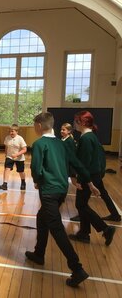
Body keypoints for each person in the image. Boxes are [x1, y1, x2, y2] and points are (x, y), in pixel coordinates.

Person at [27, 112, 100, 287]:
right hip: (61, 190)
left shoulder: (39, 144)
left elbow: (36, 167)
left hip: (49, 191)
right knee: (41, 217)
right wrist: (90, 182)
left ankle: (77, 268)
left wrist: (37, 180)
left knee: (56, 227)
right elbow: (77, 164)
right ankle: (39, 253)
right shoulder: (62, 144)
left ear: (38, 126)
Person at [68, 110, 118, 244]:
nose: (74, 123)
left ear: (83, 122)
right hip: (93, 175)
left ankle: (105, 229)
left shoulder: (86, 138)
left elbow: (84, 163)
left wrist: (88, 182)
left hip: (88, 176)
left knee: (81, 205)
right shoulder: (91, 137)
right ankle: (84, 233)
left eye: (76, 121)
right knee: (82, 204)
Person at [0, 124, 27, 191]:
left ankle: (23, 182)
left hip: (19, 158)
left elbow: (24, 149)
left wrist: (17, 154)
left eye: (12, 131)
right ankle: (4, 184)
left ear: (17, 132)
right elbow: (6, 147)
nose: (11, 133)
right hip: (9, 157)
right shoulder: (7, 138)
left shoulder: (20, 139)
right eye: (10, 131)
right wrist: (6, 154)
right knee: (7, 169)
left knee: (21, 171)